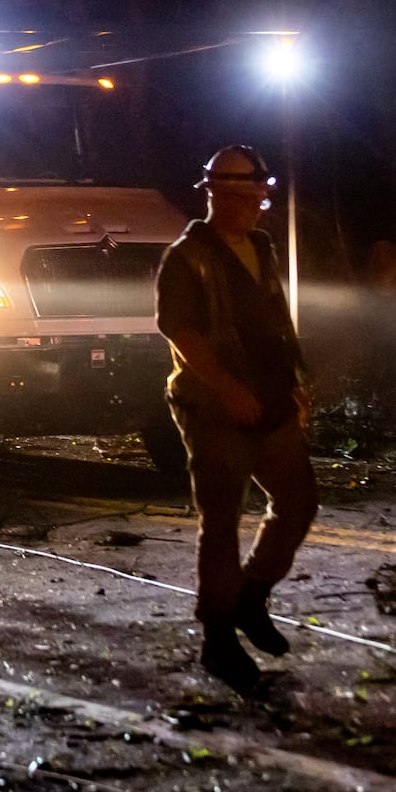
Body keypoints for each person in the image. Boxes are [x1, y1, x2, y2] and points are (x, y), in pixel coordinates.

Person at [155, 145, 319, 693]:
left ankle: (251, 596)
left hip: (270, 400)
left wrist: (296, 382)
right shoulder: (187, 257)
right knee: (222, 521)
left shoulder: (261, 248)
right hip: (214, 409)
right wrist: (226, 388)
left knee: (299, 502)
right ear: (217, 197)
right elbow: (181, 331)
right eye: (243, 198)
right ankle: (218, 637)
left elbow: (276, 317)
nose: (253, 208)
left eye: (256, 198)